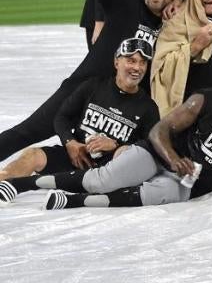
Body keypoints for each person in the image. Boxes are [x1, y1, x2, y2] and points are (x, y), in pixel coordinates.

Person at [1, 61, 212, 209]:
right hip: (160, 155)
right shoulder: (209, 99)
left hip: (190, 183)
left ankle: (72, 201)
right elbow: (159, 130)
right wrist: (174, 159)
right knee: (104, 180)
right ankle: (25, 184)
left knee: (154, 196)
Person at [0, 0, 177, 164]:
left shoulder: (172, 27)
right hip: (80, 90)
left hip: (118, 107)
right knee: (27, 131)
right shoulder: (124, 3)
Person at [0, 38, 159, 184]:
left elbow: (149, 150)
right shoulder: (93, 86)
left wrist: (116, 145)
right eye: (131, 61)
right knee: (32, 155)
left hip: (108, 172)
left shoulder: (148, 107)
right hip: (74, 158)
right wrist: (70, 143)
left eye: (143, 62)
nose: (137, 68)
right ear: (117, 62)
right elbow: (62, 117)